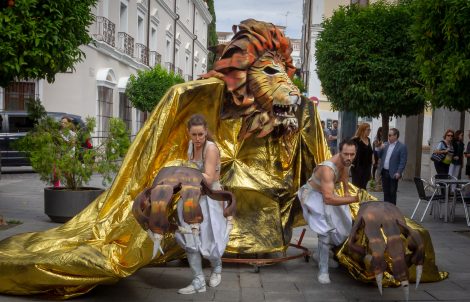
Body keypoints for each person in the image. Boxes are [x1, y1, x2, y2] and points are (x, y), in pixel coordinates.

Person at [175, 114, 230, 295]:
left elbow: (208, 178)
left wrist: (184, 175)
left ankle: (217, 269)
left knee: (210, 240)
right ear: (188, 133)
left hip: (209, 199)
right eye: (194, 135)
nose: (198, 139)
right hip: (191, 198)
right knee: (190, 239)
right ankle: (198, 280)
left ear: (206, 131)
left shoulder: (211, 148)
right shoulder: (191, 146)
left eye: (200, 134)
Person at [297, 139, 361, 284]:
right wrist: (354, 199)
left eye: (352, 154)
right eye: (346, 154)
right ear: (339, 152)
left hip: (325, 194)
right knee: (325, 230)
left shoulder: (345, 163)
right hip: (312, 196)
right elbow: (328, 199)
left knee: (344, 224)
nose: (349, 157)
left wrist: (346, 193)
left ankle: (320, 255)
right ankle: (323, 270)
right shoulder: (327, 170)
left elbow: (344, 175)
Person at [377, 128, 407, 205]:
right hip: (384, 172)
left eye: (390, 135)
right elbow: (379, 155)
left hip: (393, 173)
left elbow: (403, 161)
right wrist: (380, 148)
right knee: (386, 192)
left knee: (392, 193)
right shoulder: (386, 144)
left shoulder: (402, 147)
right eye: (388, 135)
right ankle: (386, 210)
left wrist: (399, 172)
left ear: (395, 136)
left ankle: (393, 211)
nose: (388, 137)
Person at [53, 116, 77, 187]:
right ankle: (56, 188)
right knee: (56, 172)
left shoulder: (73, 134)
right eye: (62, 122)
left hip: (69, 156)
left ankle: (70, 187)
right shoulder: (58, 133)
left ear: (69, 124)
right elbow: (56, 144)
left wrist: (62, 141)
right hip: (59, 154)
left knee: (67, 173)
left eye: (65, 122)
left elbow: (71, 144)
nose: (63, 124)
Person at [351, 123, 373, 190]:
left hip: (367, 167)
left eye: (370, 130)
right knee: (357, 187)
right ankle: (356, 200)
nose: (369, 131)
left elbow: (370, 152)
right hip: (357, 167)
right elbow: (351, 152)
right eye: (368, 130)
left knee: (363, 187)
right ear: (362, 130)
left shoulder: (368, 140)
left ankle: (363, 200)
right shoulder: (355, 140)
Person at [372, 127, 383, 191]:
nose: (381, 133)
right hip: (376, 152)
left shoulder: (384, 137)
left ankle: (379, 178)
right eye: (380, 132)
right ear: (379, 132)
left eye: (382, 132)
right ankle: (373, 177)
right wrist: (380, 142)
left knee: (379, 165)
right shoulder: (376, 137)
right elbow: (376, 145)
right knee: (375, 165)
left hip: (381, 152)